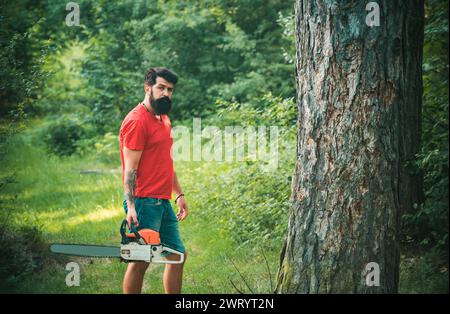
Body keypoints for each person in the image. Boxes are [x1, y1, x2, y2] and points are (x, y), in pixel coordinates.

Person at [119, 67, 188, 294]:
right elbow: (130, 171)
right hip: (143, 202)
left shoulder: (163, 118)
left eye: (170, 90)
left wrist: (178, 194)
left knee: (177, 256)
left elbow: (166, 161)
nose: (166, 93)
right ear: (147, 87)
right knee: (141, 261)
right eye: (161, 88)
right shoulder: (137, 121)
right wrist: (131, 207)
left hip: (162, 201)